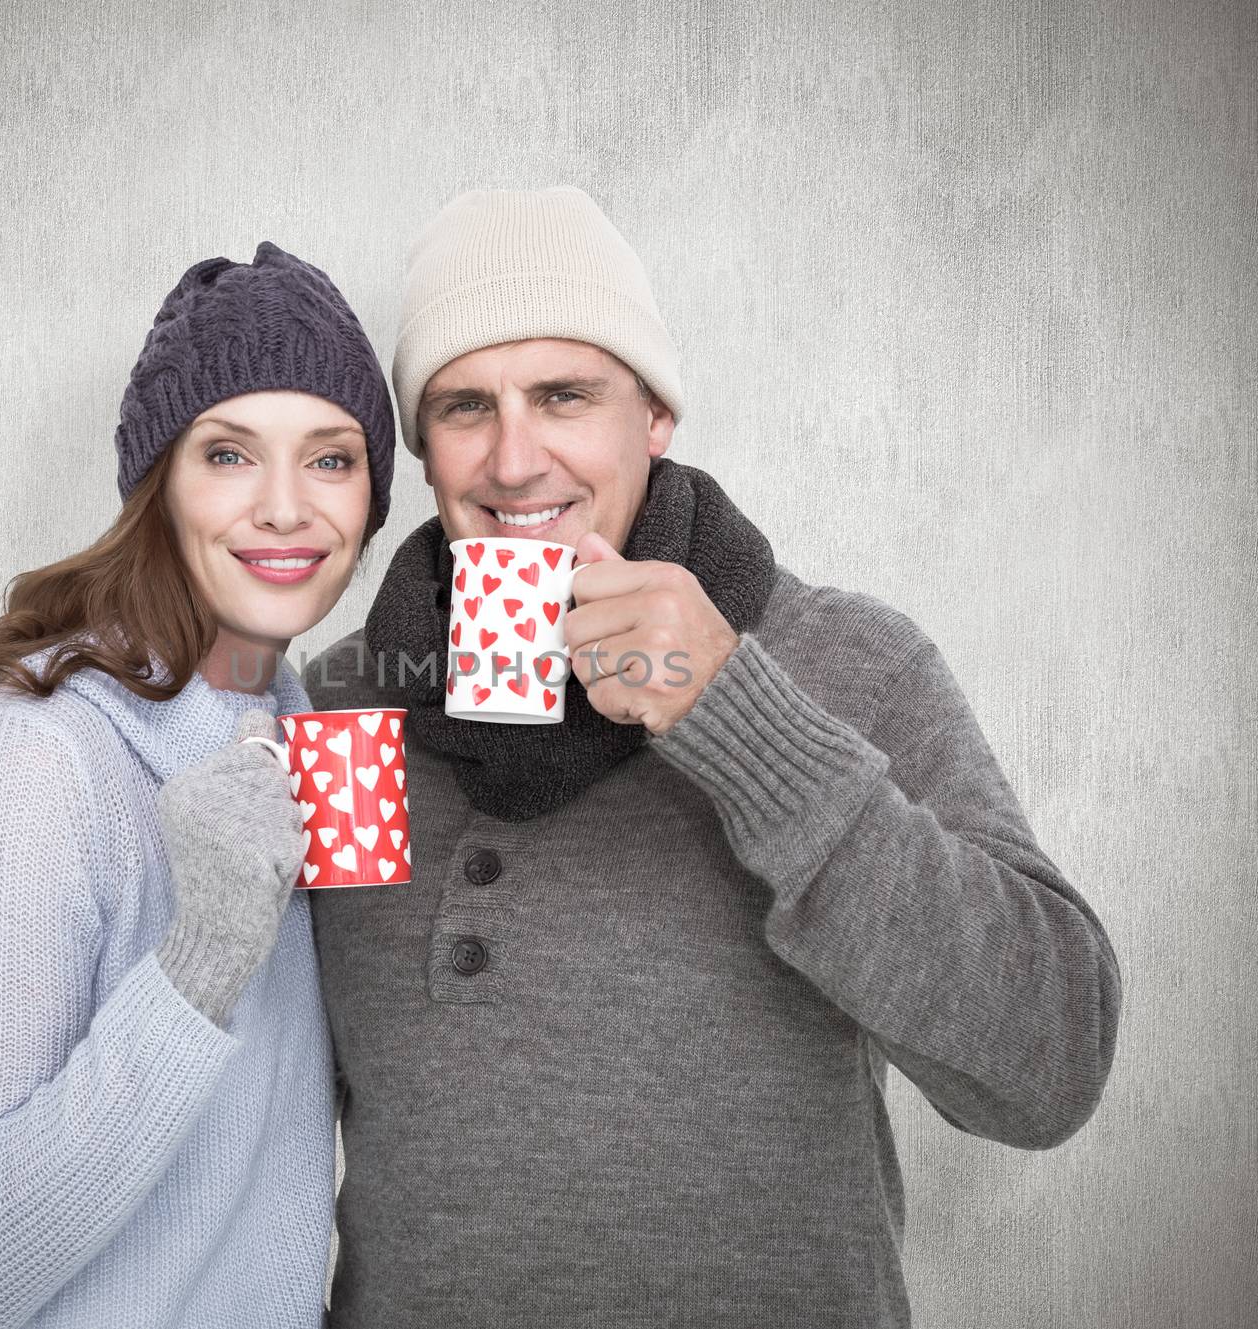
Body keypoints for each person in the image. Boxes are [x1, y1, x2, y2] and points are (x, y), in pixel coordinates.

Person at [302, 187, 1123, 1327]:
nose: (513, 457)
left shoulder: (855, 663)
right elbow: (294, 1093)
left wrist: (738, 716)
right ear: (422, 445)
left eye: (564, 396)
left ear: (655, 418)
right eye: (461, 406)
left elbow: (1048, 1066)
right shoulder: (345, 709)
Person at [0, 241, 396, 1328]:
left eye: (330, 459)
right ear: (158, 485)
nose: (287, 509)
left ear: (372, 497)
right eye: (229, 455)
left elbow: (335, 1100)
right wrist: (199, 962)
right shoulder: (37, 755)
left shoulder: (309, 720)